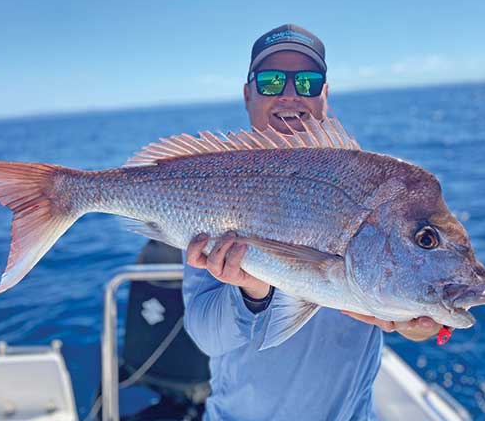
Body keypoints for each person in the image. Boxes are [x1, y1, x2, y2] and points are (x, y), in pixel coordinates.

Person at [182, 24, 442, 420]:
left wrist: (420, 325)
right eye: (270, 81)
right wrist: (252, 290)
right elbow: (206, 337)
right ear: (248, 94)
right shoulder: (212, 184)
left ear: (325, 94)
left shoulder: (380, 189)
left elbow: (428, 313)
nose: (290, 94)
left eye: (307, 81)